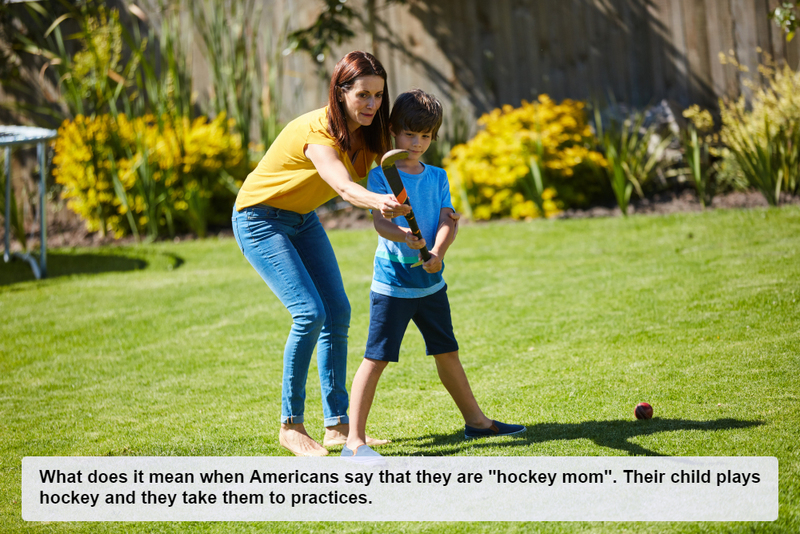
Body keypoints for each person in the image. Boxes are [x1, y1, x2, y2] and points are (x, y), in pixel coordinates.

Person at [231, 51, 412, 457]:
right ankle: (291, 424)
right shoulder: (319, 131)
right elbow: (345, 187)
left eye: (379, 96)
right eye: (363, 94)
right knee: (309, 313)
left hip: (301, 218)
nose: (371, 104)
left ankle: (337, 425)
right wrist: (378, 201)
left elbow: (395, 163)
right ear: (341, 91)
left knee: (338, 311)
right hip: (259, 218)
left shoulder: (368, 135)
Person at [343, 89, 526, 460]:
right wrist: (403, 235)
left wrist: (437, 254)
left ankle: (476, 422)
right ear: (394, 131)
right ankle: (353, 442)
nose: (416, 143)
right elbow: (380, 222)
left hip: (430, 283)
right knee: (376, 358)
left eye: (425, 136)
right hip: (393, 285)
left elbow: (447, 219)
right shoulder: (382, 176)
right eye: (410, 134)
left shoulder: (438, 176)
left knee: (447, 352)